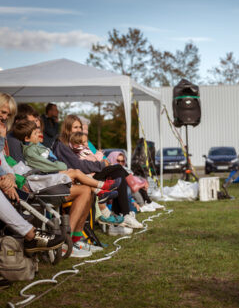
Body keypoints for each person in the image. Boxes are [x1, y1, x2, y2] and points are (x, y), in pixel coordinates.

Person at [0, 93, 95, 258]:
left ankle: (73, 240)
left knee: (86, 187)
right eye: (32, 124)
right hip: (34, 186)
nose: (4, 117)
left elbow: (9, 166)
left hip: (33, 181)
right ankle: (67, 242)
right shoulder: (16, 141)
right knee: (85, 189)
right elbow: (27, 169)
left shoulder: (18, 140)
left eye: (7, 114)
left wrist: (9, 175)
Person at [52, 115, 143, 229]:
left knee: (118, 172)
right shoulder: (62, 145)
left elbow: (90, 157)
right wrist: (101, 165)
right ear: (67, 128)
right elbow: (79, 165)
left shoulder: (77, 142)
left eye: (80, 127)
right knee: (118, 170)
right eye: (75, 127)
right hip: (78, 178)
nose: (79, 130)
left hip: (88, 174)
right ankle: (124, 213)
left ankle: (124, 214)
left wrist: (102, 161)